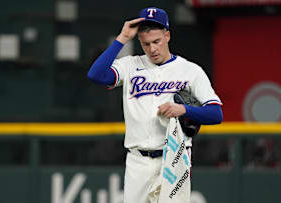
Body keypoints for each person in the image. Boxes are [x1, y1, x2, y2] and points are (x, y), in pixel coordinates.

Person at [87, 7, 223, 203]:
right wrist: (123, 37)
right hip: (137, 161)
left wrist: (184, 109)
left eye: (156, 42)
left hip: (174, 160)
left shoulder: (190, 71)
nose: (152, 49)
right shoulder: (130, 65)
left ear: (167, 35)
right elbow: (96, 75)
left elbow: (216, 114)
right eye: (146, 44)